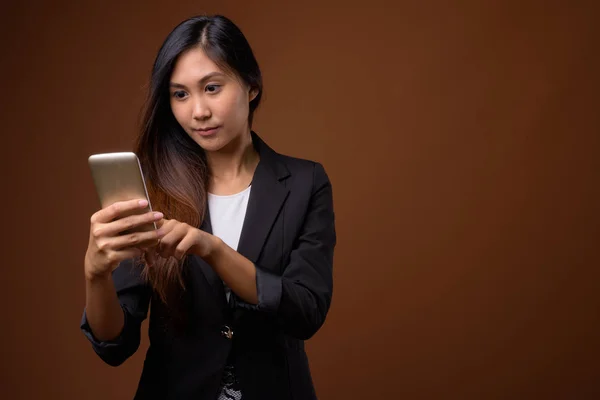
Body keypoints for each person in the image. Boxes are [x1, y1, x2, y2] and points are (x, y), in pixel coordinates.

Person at [80, 14, 336, 400]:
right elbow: (115, 344)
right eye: (180, 94)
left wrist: (213, 250)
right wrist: (95, 275)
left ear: (252, 86)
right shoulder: (153, 188)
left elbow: (305, 311)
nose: (197, 111)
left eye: (212, 88)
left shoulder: (304, 183)